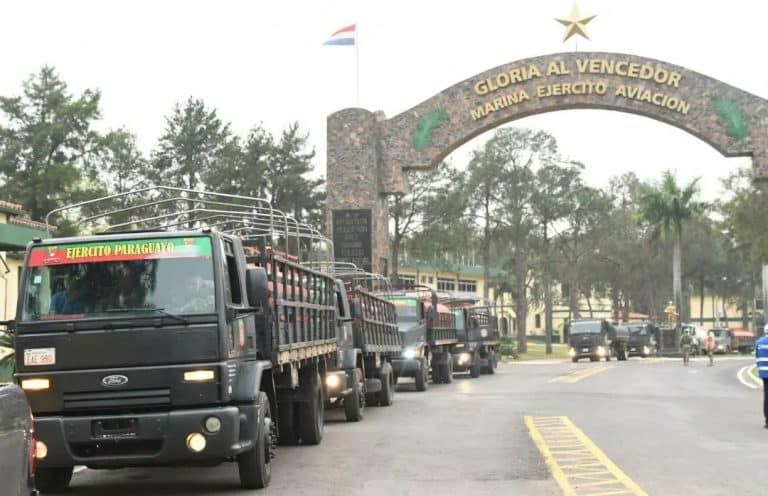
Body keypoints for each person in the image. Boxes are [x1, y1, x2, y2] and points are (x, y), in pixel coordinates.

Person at [755, 328, 768, 429]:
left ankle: (767, 420)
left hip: (764, 372)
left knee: (766, 396)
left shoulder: (758, 342)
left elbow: (757, 358)